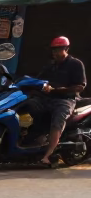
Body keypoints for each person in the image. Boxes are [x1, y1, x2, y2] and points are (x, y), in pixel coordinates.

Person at [36, 36, 86, 166]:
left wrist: (60, 90)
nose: (55, 53)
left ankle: (49, 154)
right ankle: (35, 142)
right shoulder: (50, 66)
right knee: (30, 108)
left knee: (58, 119)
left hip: (66, 100)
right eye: (54, 50)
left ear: (66, 49)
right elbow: (38, 80)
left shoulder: (75, 64)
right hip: (47, 98)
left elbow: (80, 86)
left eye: (59, 50)